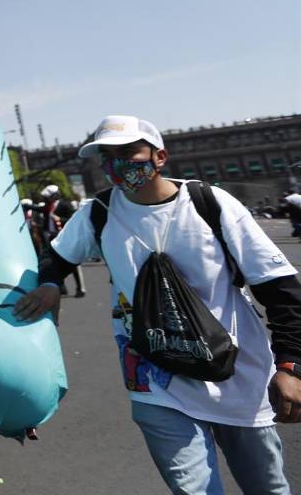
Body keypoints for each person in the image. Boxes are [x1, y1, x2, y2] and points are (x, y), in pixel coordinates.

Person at [16, 115, 301, 494]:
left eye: (128, 152)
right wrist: (51, 283)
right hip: (156, 383)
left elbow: (280, 288)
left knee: (265, 487)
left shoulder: (209, 204)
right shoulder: (98, 213)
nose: (118, 164)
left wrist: (291, 365)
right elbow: (55, 258)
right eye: (107, 156)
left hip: (238, 377)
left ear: (159, 156)